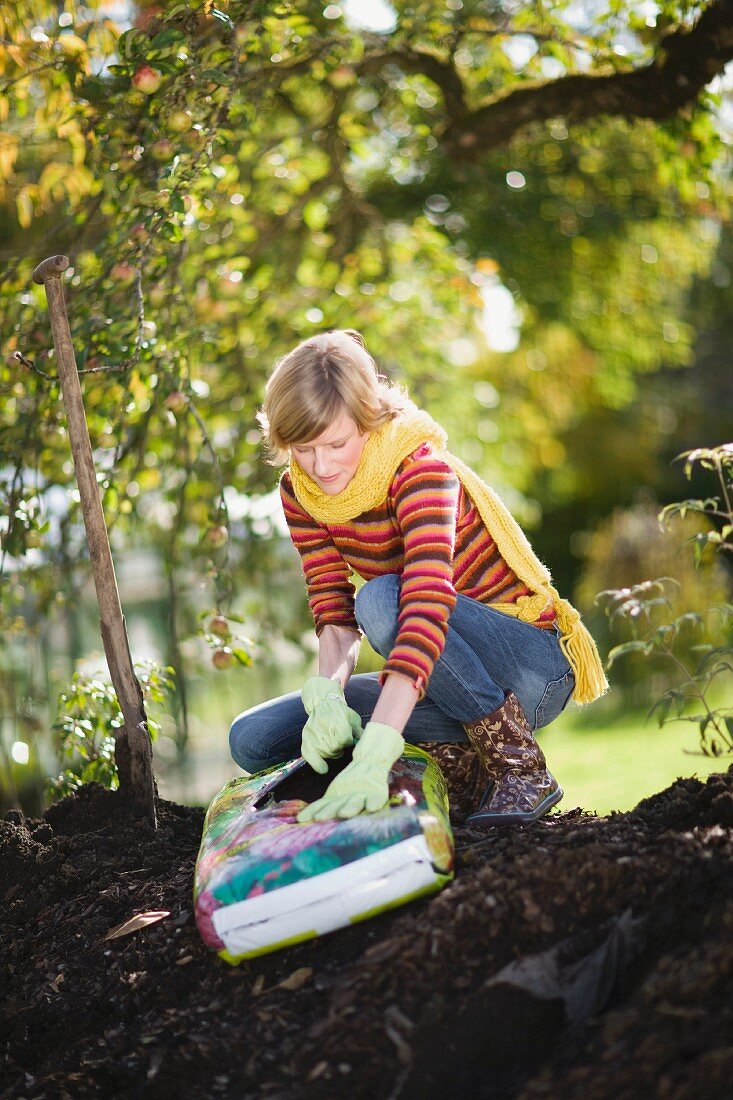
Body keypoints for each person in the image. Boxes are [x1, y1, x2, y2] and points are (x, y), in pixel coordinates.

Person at [229, 329, 607, 827]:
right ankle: (464, 770)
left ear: (366, 420)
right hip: (436, 683)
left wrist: (376, 748)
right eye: (303, 450)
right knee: (255, 738)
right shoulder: (301, 493)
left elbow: (426, 602)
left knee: (383, 600)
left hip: (528, 668)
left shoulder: (418, 469)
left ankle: (518, 767)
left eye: (335, 444)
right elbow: (332, 608)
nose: (320, 466)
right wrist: (326, 696)